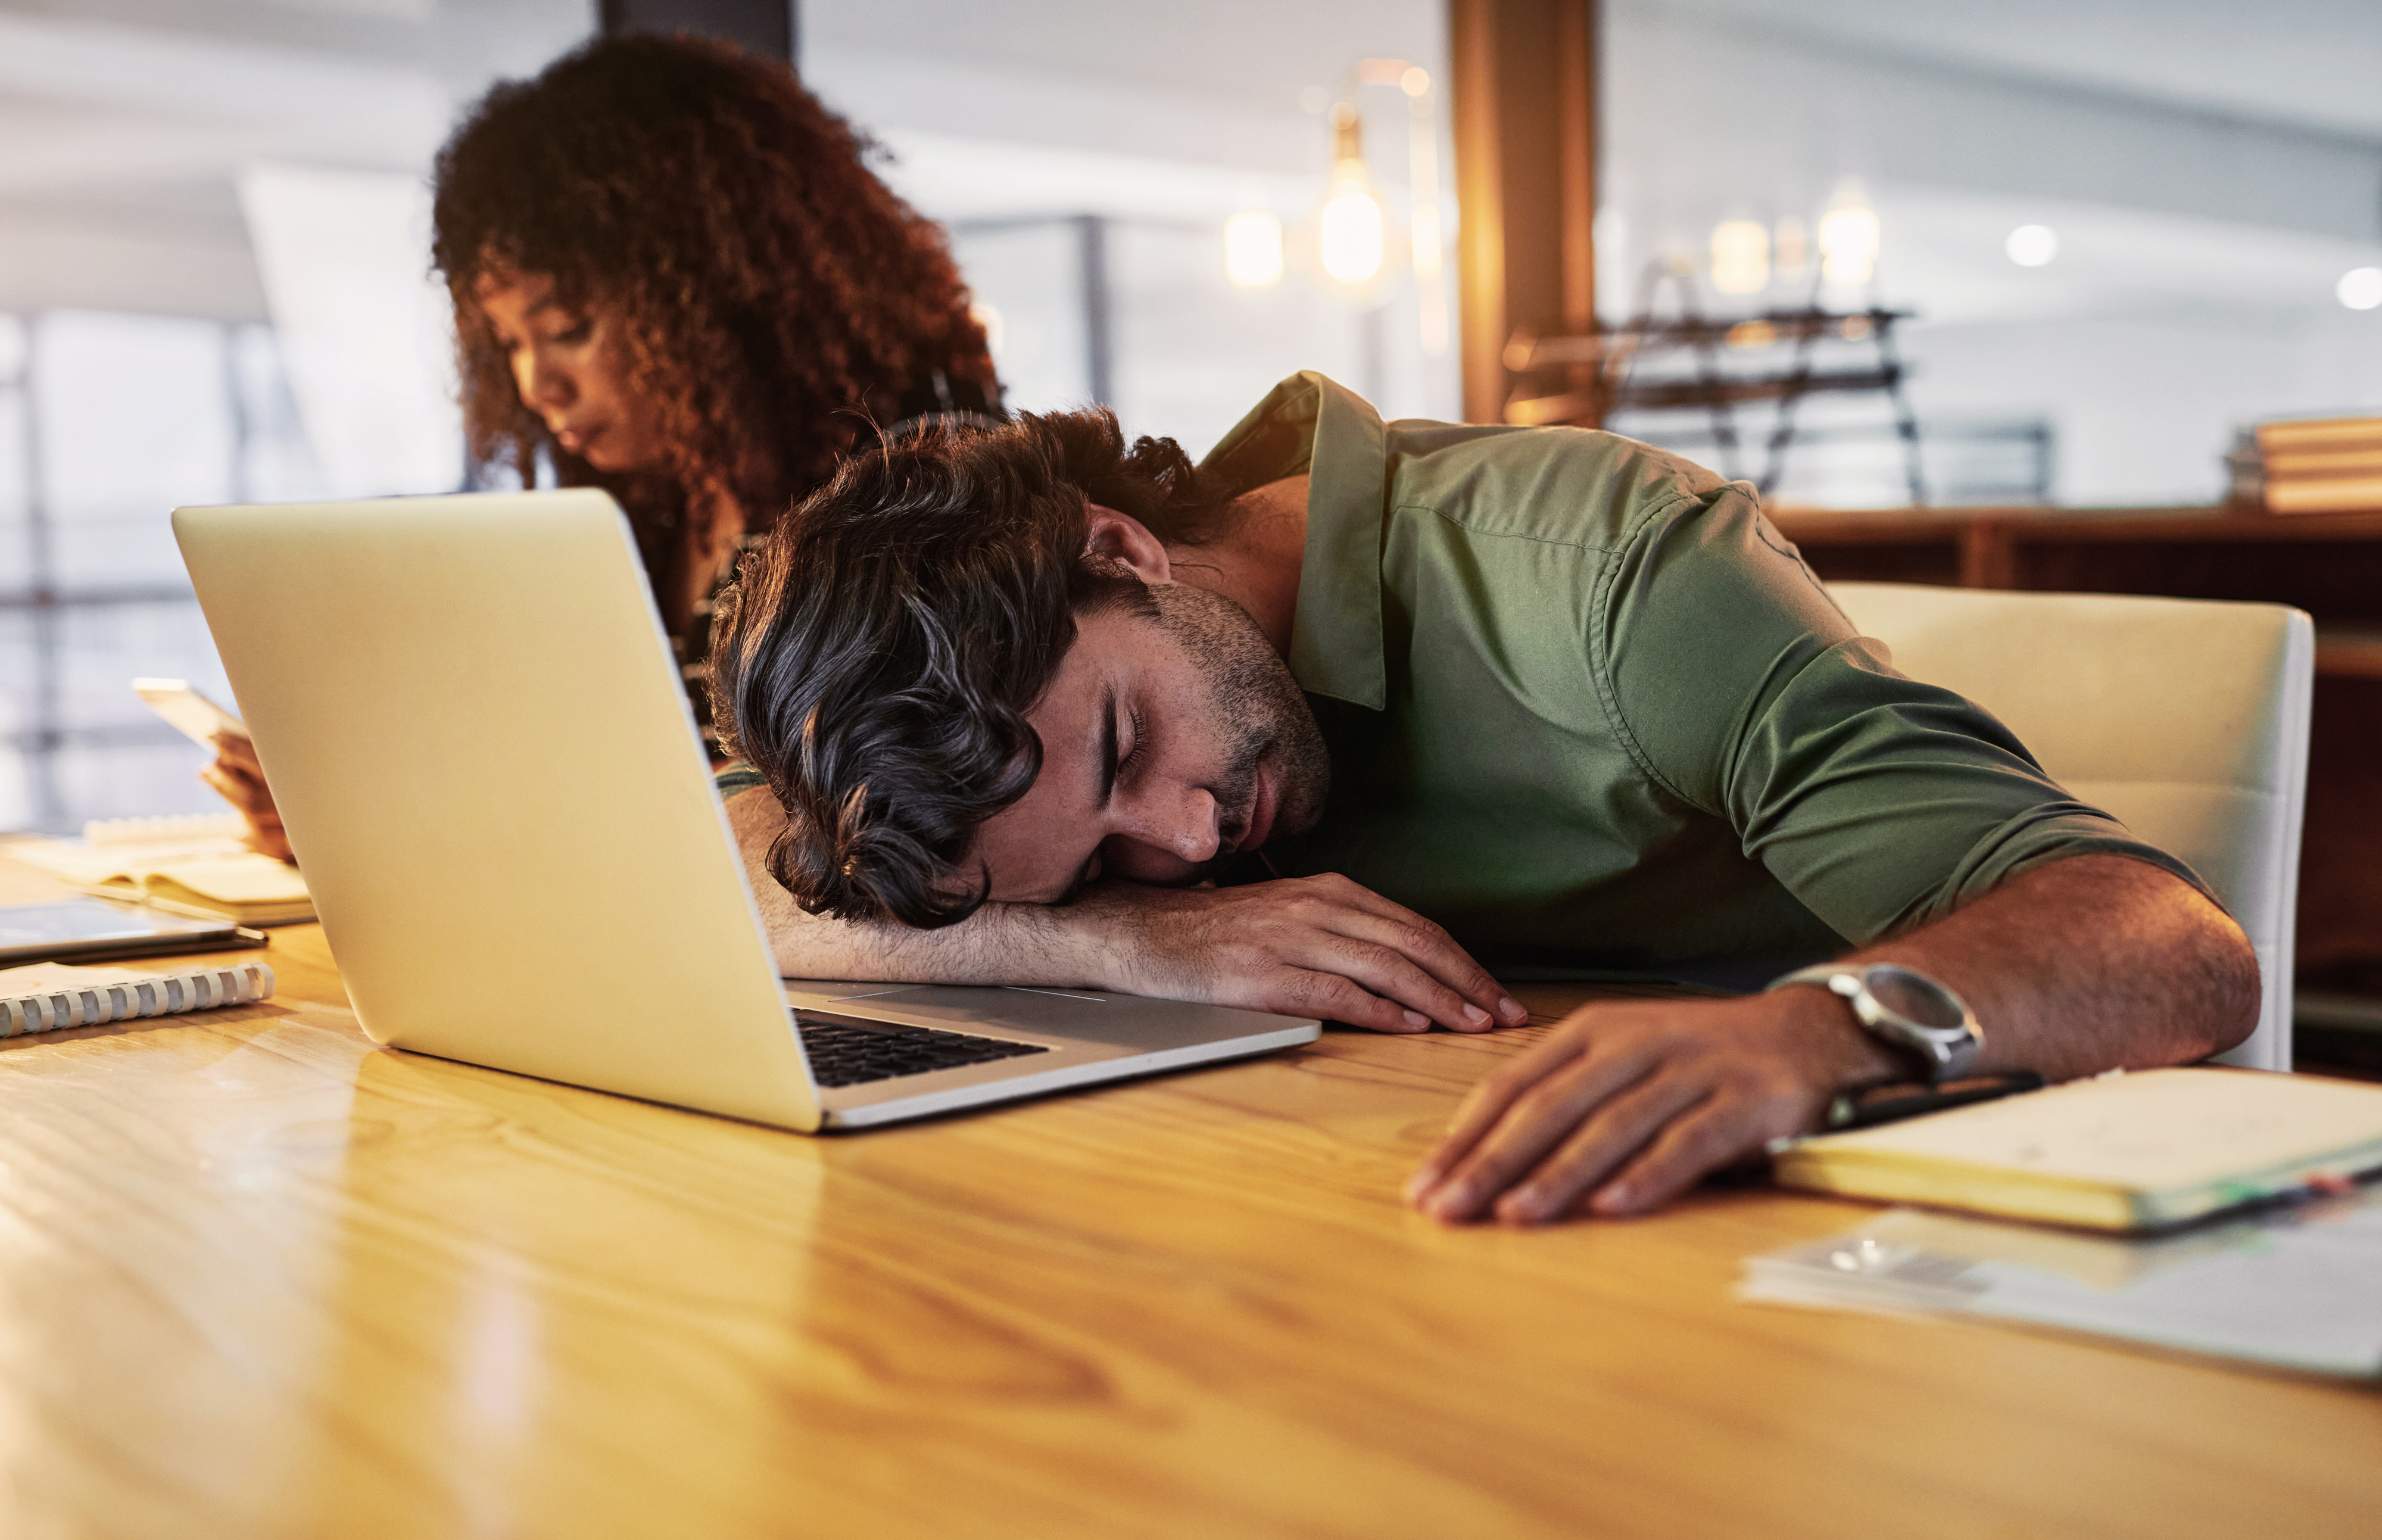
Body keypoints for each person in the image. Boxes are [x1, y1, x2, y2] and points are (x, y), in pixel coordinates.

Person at [704, 370, 2258, 1224]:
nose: (1182, 842)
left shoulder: (1608, 584)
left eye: (1125, 753)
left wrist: (1824, 1028)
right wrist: (1124, 946)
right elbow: (717, 866)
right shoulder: (1095, 782)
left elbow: (2173, 941)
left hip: (1824, 1216)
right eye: (1099, 861)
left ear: (1120, 549)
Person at [204, 32, 1000, 859]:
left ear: (713, 294)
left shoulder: (911, 486)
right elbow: (599, 788)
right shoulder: (653, 507)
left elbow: (815, 835)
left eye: (568, 330)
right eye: (508, 343)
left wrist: (396, 827)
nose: (535, 386)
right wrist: (356, 812)